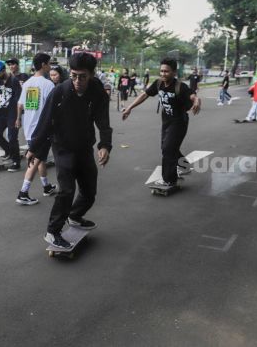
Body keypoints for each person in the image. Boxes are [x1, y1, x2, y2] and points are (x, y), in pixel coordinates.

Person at [27, 53, 112, 249]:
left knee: (89, 191)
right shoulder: (61, 91)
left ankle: (74, 215)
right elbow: (45, 121)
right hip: (63, 146)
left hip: (84, 146)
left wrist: (105, 145)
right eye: (73, 75)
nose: (77, 81)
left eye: (82, 76)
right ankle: (53, 231)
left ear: (91, 74)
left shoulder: (97, 90)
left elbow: (103, 120)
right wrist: (34, 148)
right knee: (66, 190)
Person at [122, 57, 202, 190]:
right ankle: (184, 166)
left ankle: (169, 180)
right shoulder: (158, 83)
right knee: (167, 147)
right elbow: (144, 95)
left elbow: (192, 95)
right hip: (166, 121)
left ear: (174, 73)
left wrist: (197, 100)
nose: (163, 74)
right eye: (162, 71)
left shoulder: (179, 86)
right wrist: (130, 108)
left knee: (168, 149)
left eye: (167, 71)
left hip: (179, 122)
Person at [15, 53, 57, 205]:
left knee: (41, 158)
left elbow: (20, 105)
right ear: (44, 64)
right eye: (49, 63)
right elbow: (51, 110)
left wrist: (18, 119)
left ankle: (46, 186)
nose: (50, 66)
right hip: (42, 130)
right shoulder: (48, 85)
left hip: (29, 127)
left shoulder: (27, 83)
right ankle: (23, 193)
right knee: (35, 159)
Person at [0, 61, 22, 171]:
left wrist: (18, 118)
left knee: (12, 138)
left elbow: (19, 101)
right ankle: (9, 150)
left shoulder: (14, 81)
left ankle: (16, 162)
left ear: (4, 70)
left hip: (13, 112)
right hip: (2, 112)